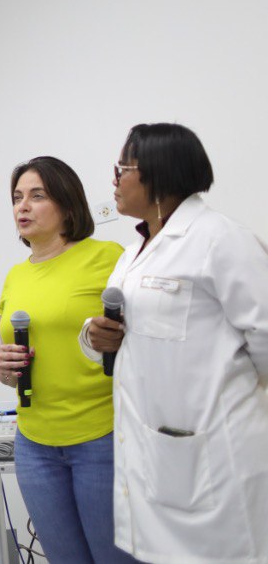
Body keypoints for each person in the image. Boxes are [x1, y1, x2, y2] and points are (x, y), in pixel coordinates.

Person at [83, 124, 268, 563]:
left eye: (122, 168)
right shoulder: (133, 254)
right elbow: (133, 336)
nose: (113, 179)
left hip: (214, 452)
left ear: (158, 172)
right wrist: (94, 336)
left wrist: (244, 398)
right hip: (159, 454)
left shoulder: (220, 239)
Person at [0, 156, 133, 563]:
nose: (23, 206)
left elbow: (142, 338)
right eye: (17, 197)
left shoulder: (107, 257)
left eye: (37, 196)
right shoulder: (15, 276)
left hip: (101, 435)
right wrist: (5, 369)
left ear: (67, 205)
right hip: (34, 443)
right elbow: (12, 365)